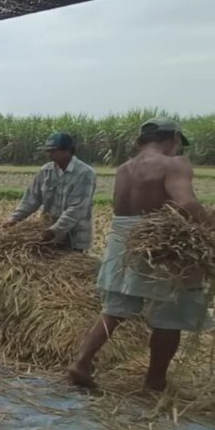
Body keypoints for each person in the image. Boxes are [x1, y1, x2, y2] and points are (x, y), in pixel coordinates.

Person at [68, 118, 209, 391]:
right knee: (170, 312)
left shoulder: (124, 169)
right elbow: (187, 202)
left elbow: (120, 210)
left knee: (115, 308)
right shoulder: (174, 163)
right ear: (173, 139)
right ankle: (155, 380)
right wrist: (209, 229)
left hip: (123, 239)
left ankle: (81, 363)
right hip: (159, 243)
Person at [4, 133, 97, 251]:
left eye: (53, 151)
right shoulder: (45, 171)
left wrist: (54, 231)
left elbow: (76, 209)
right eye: (48, 151)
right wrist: (14, 219)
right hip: (47, 236)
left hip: (74, 239)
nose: (49, 154)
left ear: (68, 151)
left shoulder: (85, 173)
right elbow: (31, 199)